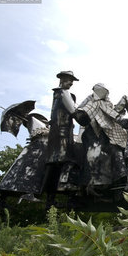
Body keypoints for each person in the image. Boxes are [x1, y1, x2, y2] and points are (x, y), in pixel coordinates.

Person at [75, 83, 128, 195]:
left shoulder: (107, 103)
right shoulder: (91, 101)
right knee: (93, 156)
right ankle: (89, 186)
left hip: (107, 133)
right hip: (92, 133)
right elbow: (80, 113)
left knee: (115, 154)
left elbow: (113, 115)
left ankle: (116, 183)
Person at [43, 70, 79, 207]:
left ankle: (51, 198)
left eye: (72, 80)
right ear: (62, 79)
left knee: (55, 164)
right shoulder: (63, 93)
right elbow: (74, 111)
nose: (70, 83)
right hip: (61, 133)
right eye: (69, 79)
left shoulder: (58, 94)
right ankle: (65, 185)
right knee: (68, 160)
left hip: (62, 131)